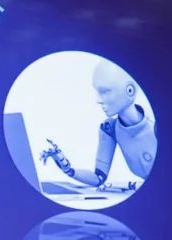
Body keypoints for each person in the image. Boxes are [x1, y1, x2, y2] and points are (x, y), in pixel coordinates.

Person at [40, 59, 157, 188]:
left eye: (106, 91)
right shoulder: (110, 129)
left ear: (130, 90)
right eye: (98, 92)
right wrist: (67, 168)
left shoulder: (157, 127)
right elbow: (99, 178)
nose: (98, 100)